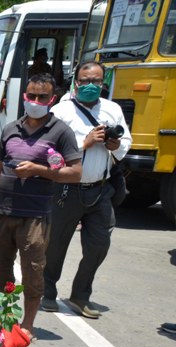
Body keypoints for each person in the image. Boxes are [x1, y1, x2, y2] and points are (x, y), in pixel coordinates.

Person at [0, 73, 83, 334]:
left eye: (42, 97)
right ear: (24, 95)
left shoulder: (61, 132)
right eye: (31, 96)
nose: (35, 101)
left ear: (52, 99)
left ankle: (27, 325)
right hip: (4, 213)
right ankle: (4, 317)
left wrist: (39, 169)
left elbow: (75, 172)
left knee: (33, 273)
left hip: (34, 217)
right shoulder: (11, 128)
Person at [43, 60, 132, 319]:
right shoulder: (61, 111)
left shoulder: (112, 109)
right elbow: (49, 151)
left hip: (100, 189)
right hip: (66, 190)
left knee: (99, 245)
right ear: (76, 82)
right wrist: (85, 143)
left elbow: (126, 139)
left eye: (96, 81)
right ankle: (47, 291)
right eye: (85, 81)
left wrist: (116, 146)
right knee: (55, 245)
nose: (90, 86)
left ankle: (80, 296)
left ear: (103, 82)